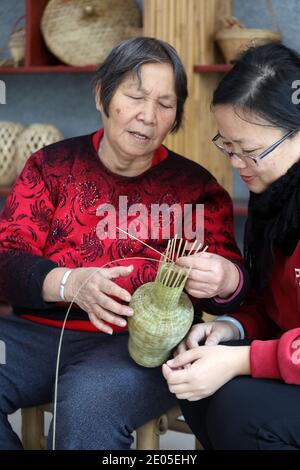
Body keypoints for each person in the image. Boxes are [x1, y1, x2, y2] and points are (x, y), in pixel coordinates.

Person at [0, 37, 248, 450]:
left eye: (165, 104)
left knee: (88, 405)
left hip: (137, 349)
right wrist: (66, 282)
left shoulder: (196, 188)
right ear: (102, 93)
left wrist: (225, 280)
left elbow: (235, 293)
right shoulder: (51, 167)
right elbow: (5, 259)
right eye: (135, 96)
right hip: (35, 336)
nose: (148, 116)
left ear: (176, 117)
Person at [163, 43, 300, 450]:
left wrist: (241, 360)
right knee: (192, 377)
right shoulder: (276, 195)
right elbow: (277, 307)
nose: (237, 164)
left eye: (252, 151)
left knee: (238, 409)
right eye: (228, 146)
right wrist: (230, 328)